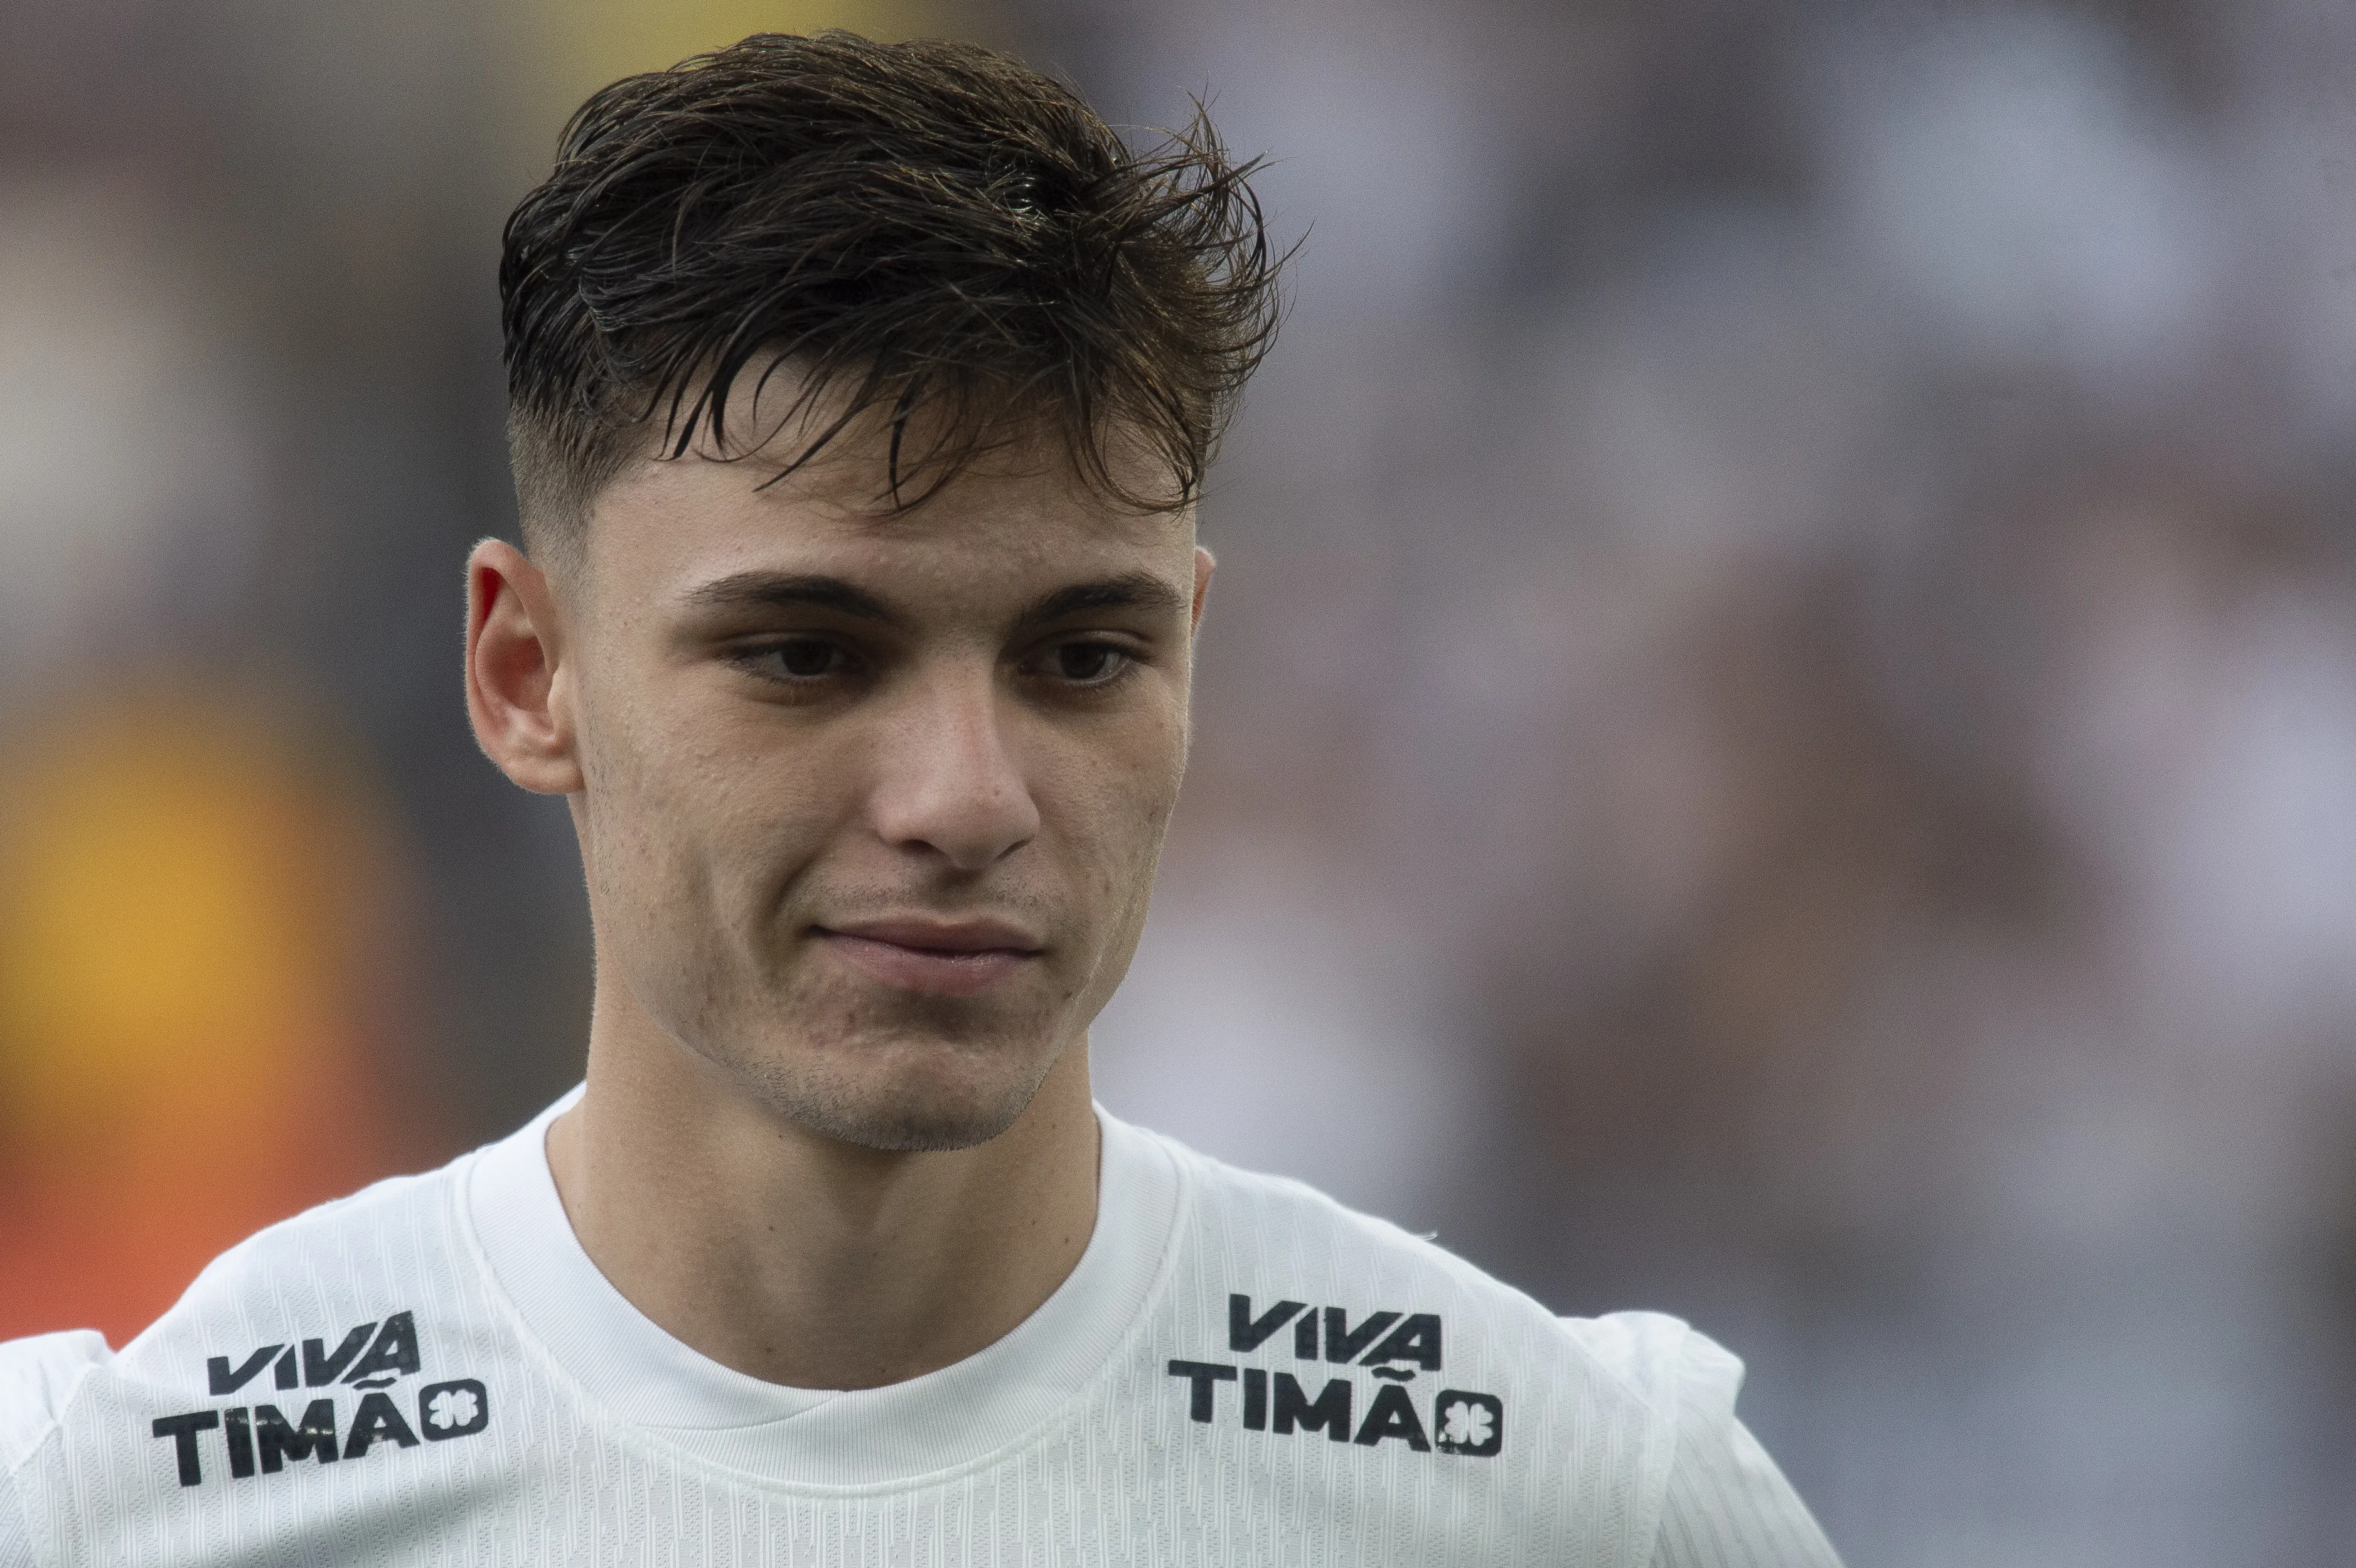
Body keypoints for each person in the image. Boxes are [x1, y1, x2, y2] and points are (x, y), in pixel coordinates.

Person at [0, 32, 1839, 1566]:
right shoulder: (122, 1501)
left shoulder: (1567, 1493)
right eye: (807, 655)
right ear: (527, 675)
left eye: (1083, 658)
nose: (967, 800)